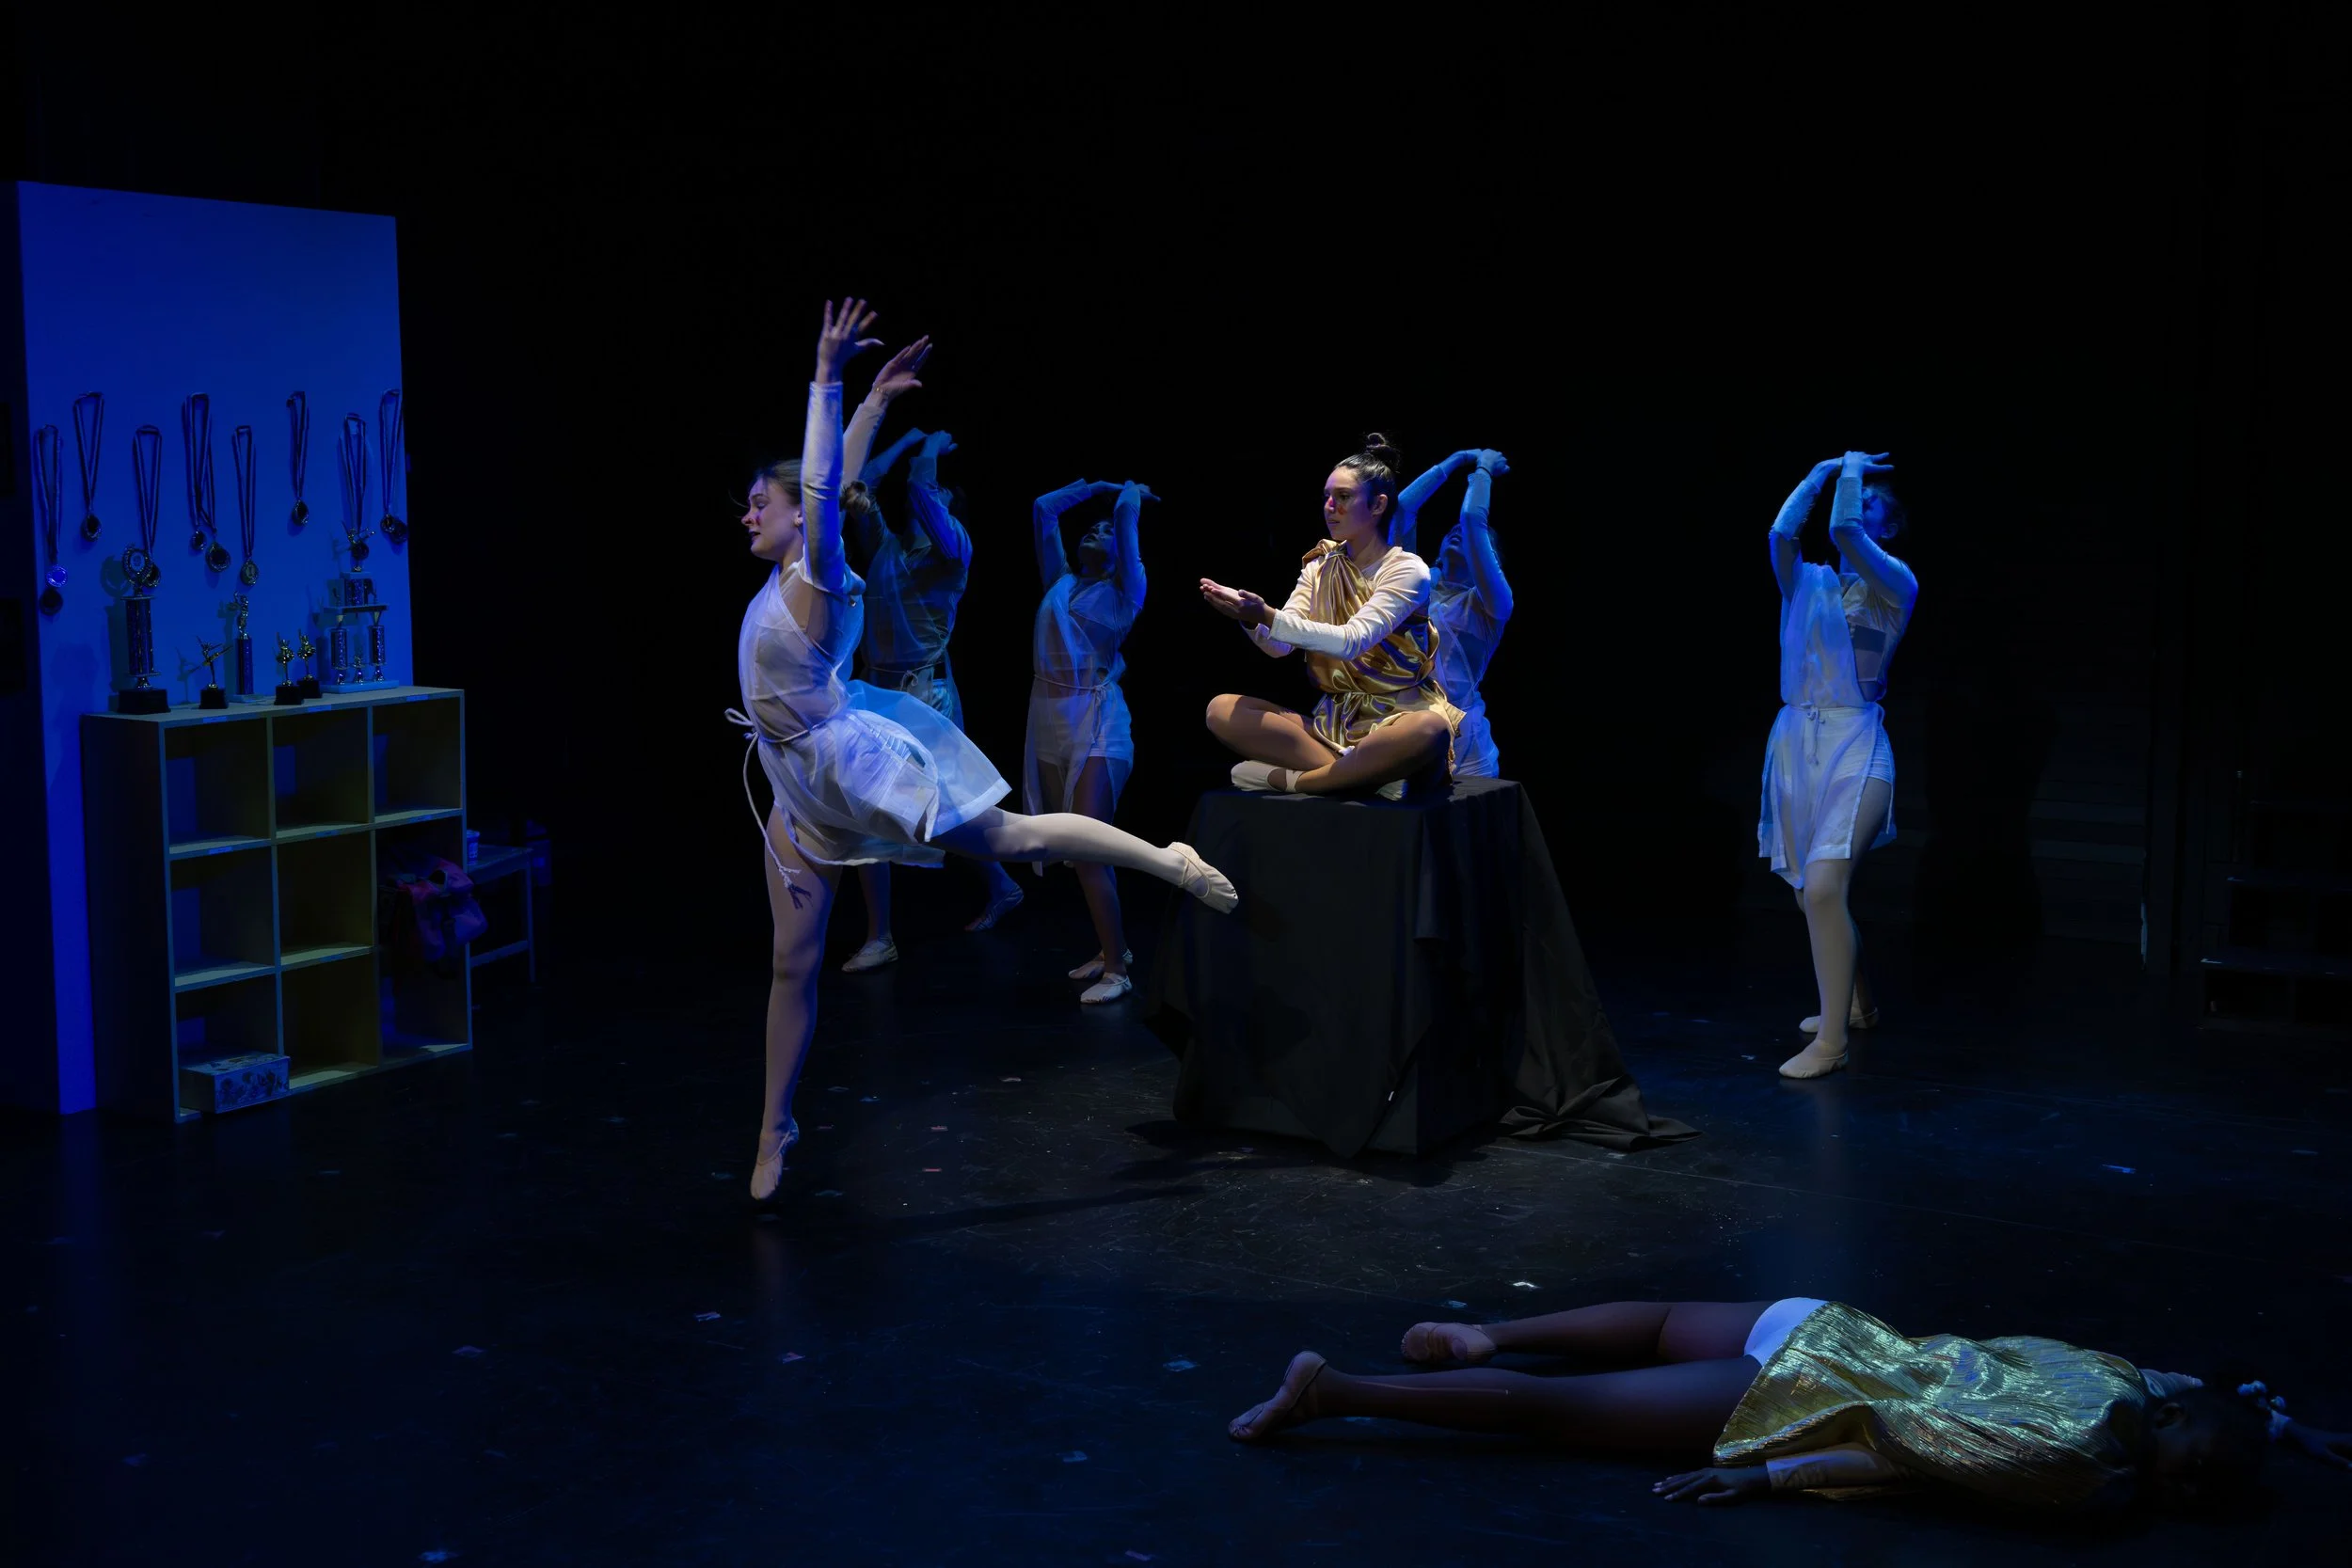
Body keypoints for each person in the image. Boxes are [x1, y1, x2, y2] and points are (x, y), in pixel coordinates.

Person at [730, 300, 1236, 1201]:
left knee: (1015, 837)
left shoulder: (819, 579)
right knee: (791, 960)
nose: (747, 515)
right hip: (794, 780)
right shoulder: (792, 566)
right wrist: (873, 407)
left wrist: (829, 378)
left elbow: (824, 491)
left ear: (797, 518)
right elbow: (836, 485)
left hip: (850, 762)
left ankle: (1169, 860)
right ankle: (775, 1126)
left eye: (758, 502)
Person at [1227, 1295, 2352, 1513]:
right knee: (1562, 1412)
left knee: (1661, 1318)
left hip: (1833, 1320)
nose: (2184, 1486)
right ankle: (1337, 1391)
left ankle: (1493, 1328)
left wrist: (2280, 1423)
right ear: (2171, 1435)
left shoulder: (2122, 1375)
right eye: (2195, 1472)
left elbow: (2207, 1392)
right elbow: (1907, 1450)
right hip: (1816, 1389)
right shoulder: (2076, 1456)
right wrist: (1769, 1470)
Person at [835, 425, 1026, 973]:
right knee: (869, 807)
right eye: (933, 484)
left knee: (947, 811)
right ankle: (880, 935)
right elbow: (858, 485)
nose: (930, 491)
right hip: (876, 691)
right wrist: (905, 442)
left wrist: (931, 449)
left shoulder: (954, 549)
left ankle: (1002, 881)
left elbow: (920, 489)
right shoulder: (888, 547)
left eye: (942, 490)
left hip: (927, 695)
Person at [1760, 451, 1916, 1080]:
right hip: (1797, 745)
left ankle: (1832, 1041)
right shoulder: (1810, 584)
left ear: (1888, 527)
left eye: (1870, 503)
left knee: (1826, 886)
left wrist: (1850, 471)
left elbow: (1843, 528)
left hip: (1855, 741)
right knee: (1810, 894)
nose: (1854, 506)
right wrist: (1819, 475)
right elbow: (1780, 535)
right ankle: (1857, 1004)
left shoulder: (1895, 586)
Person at [1200, 435, 1460, 798]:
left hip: (1398, 718)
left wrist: (1267, 614)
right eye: (1326, 497)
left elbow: (1352, 641)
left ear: (1378, 505)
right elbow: (1279, 646)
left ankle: (1293, 780)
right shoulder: (1319, 566)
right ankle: (1361, 777)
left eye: (1343, 497)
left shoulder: (1407, 570)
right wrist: (1249, 618)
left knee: (1429, 730)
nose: (1329, 507)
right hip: (1335, 724)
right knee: (1222, 710)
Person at [1026, 477, 1150, 1003]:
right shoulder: (1058, 581)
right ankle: (1109, 947)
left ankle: (1117, 970)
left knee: (1089, 846)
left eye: (1106, 532)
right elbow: (1043, 508)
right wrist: (1093, 485)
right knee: (1074, 849)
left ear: (1122, 551)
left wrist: (1128, 493)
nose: (1095, 532)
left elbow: (1123, 516)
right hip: (1048, 717)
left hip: (1098, 720)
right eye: (1090, 529)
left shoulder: (1126, 591)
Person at [1404, 448, 1513, 778]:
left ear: (1489, 560)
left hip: (1468, 754)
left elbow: (1471, 520)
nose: (1457, 531)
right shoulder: (1414, 586)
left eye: (1474, 539)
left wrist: (1483, 469)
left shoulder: (1492, 606)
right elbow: (1401, 510)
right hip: (1407, 734)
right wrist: (1454, 460)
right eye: (1450, 530)